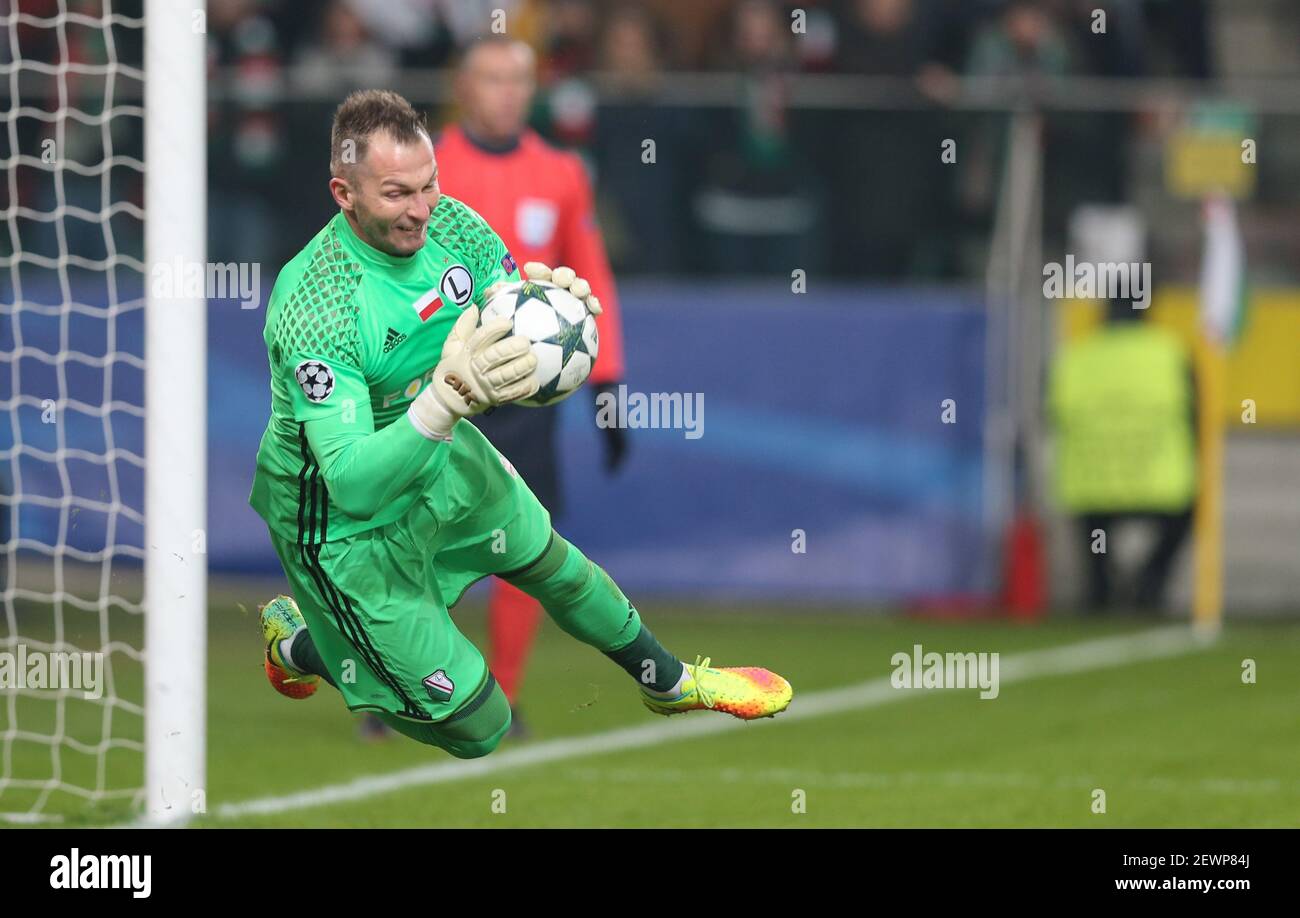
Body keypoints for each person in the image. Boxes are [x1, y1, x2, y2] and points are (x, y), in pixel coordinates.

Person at [247, 90, 792, 759]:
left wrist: (554, 324)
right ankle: (305, 643)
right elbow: (355, 482)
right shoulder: (317, 304)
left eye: (429, 186)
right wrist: (445, 401)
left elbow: (508, 335)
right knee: (482, 726)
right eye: (397, 194)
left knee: (554, 564)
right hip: (336, 515)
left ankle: (671, 682)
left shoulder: (458, 227)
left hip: (439, 449)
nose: (422, 210)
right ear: (344, 192)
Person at [422, 37, 629, 738]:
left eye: (520, 79)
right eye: (492, 78)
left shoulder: (563, 172)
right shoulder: (426, 169)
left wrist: (608, 385)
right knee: (421, 541)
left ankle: (502, 696)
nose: (508, 92)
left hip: (528, 398)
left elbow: (591, 274)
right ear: (464, 84)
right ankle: (415, 686)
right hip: (441, 385)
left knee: (523, 543)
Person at [1048, 287, 1197, 612]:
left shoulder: (1075, 355)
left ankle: (1101, 591)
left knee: (1095, 534)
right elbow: (1194, 418)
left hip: (1092, 484)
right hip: (1158, 484)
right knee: (1185, 517)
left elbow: (1054, 416)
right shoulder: (1169, 353)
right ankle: (1148, 584)